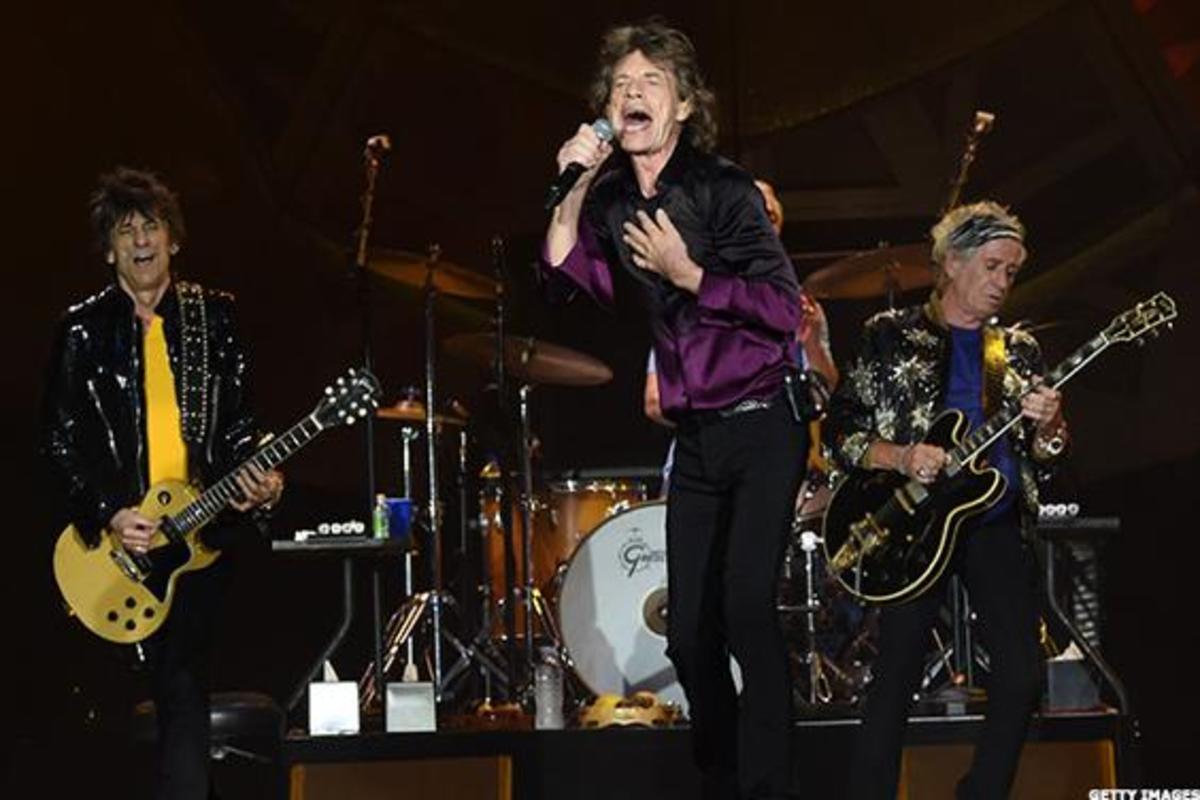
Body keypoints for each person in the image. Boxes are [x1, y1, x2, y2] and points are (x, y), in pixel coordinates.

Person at [542, 20, 807, 800]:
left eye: (650, 82)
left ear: (684, 105)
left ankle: (770, 788)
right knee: (689, 631)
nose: (631, 94)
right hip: (696, 440)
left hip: (765, 421)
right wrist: (574, 184)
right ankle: (723, 776)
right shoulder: (613, 198)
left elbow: (782, 309)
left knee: (747, 606)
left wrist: (690, 274)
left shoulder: (724, 189)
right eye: (620, 85)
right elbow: (566, 280)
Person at [42, 167, 283, 800]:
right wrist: (111, 512)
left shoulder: (214, 317)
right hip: (112, 548)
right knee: (101, 710)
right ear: (108, 250)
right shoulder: (82, 330)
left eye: (151, 227)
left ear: (173, 239)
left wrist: (261, 480)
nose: (141, 241)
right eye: (125, 232)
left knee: (183, 687)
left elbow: (240, 427)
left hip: (195, 541)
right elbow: (58, 442)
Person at [825, 200, 1069, 799]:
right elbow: (841, 434)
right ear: (952, 262)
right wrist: (903, 456)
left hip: (993, 520)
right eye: (991, 266)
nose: (1002, 281)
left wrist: (1050, 425)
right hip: (916, 523)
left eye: (1011, 271)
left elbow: (1047, 458)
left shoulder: (1018, 350)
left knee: (1021, 674)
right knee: (896, 674)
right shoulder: (889, 336)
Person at [644, 179, 838, 492]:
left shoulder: (800, 306)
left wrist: (813, 342)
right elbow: (656, 401)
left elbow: (823, 390)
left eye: (770, 215)